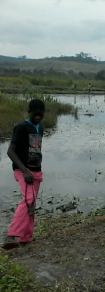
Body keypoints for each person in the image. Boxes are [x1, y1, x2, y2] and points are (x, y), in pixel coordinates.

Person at [2, 99, 45, 250]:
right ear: (29, 112)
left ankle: (26, 238)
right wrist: (25, 170)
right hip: (23, 171)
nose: (38, 117)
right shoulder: (21, 127)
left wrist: (35, 170)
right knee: (29, 199)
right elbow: (10, 151)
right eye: (35, 113)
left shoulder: (40, 128)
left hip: (36, 171)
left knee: (32, 204)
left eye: (41, 114)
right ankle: (10, 236)